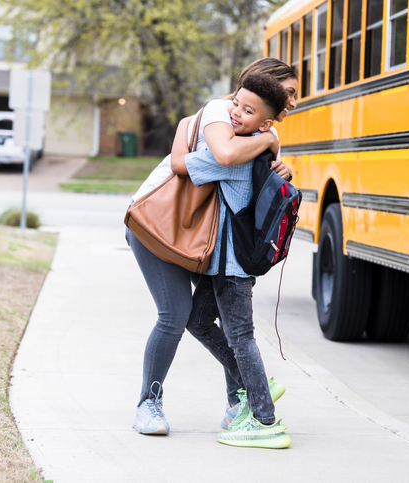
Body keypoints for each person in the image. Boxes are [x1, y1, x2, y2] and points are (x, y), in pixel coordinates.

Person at [126, 59, 298, 440]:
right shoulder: (231, 126)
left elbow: (194, 161)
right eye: (288, 93)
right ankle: (245, 396)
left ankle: (259, 412)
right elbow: (201, 158)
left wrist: (265, 147)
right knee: (190, 319)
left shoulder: (245, 146)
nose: (293, 103)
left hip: (224, 256)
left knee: (236, 334)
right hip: (164, 229)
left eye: (292, 96)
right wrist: (265, 142)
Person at [170, 73, 292, 449]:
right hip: (223, 261)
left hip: (232, 265)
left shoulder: (239, 153)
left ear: (265, 123)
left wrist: (183, 125)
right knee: (197, 318)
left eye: (248, 110)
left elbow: (179, 165)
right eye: (235, 103)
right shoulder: (258, 144)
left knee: (241, 337)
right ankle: (254, 383)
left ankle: (265, 419)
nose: (236, 113)